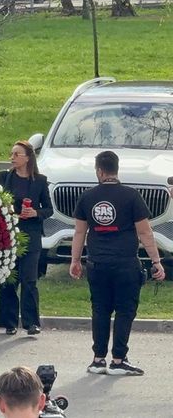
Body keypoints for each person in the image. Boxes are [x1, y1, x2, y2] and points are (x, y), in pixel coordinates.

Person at [69, 150, 166, 376]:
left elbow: (79, 232)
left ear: (99, 171)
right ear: (116, 169)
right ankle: (118, 359)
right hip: (125, 263)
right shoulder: (131, 196)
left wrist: (75, 260)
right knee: (125, 310)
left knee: (100, 309)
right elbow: (145, 232)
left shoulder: (87, 196)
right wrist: (156, 261)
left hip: (97, 262)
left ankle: (98, 359)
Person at [0, 141, 52, 336]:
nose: (12, 157)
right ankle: (9, 322)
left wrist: (35, 212)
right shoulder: (4, 178)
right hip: (8, 234)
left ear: (27, 158)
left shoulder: (40, 181)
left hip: (31, 234)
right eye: (11, 154)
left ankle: (31, 323)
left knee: (29, 279)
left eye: (16, 154)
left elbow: (49, 209)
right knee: (9, 278)